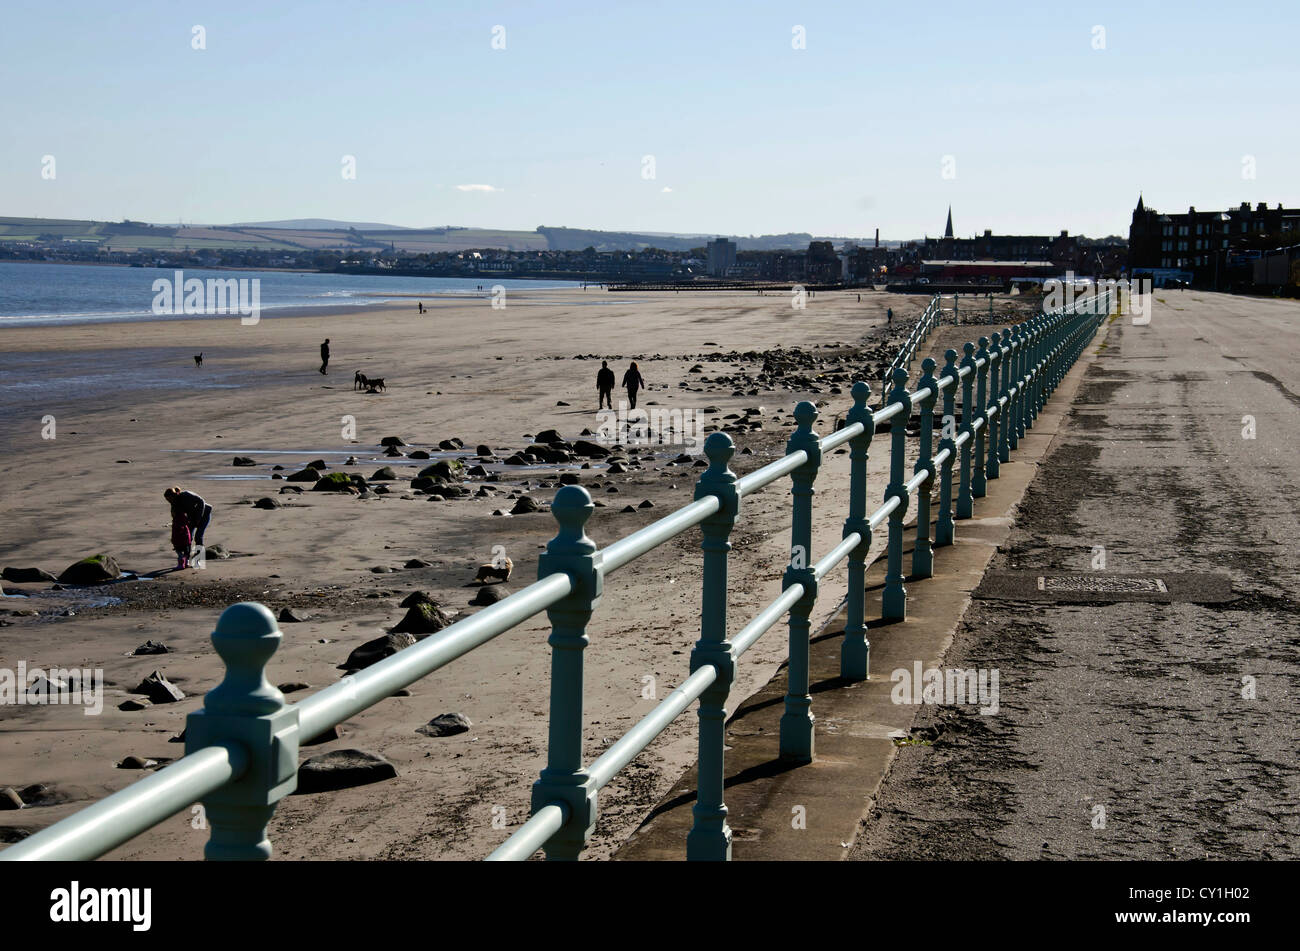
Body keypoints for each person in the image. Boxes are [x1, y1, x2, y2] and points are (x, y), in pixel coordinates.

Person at [165, 486, 212, 559]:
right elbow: (176, 519)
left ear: (174, 495)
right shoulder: (174, 504)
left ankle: (199, 557)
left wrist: (198, 518)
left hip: (205, 514)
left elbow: (201, 501)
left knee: (198, 536)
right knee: (188, 537)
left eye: (170, 499)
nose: (169, 501)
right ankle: (186, 557)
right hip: (192, 518)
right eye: (167, 500)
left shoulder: (186, 495)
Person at [170, 506, 192, 570]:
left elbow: (177, 531)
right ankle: (186, 563)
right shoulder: (185, 519)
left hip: (179, 539)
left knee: (179, 552)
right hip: (187, 539)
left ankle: (181, 565)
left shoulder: (177, 520)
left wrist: (173, 540)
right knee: (186, 552)